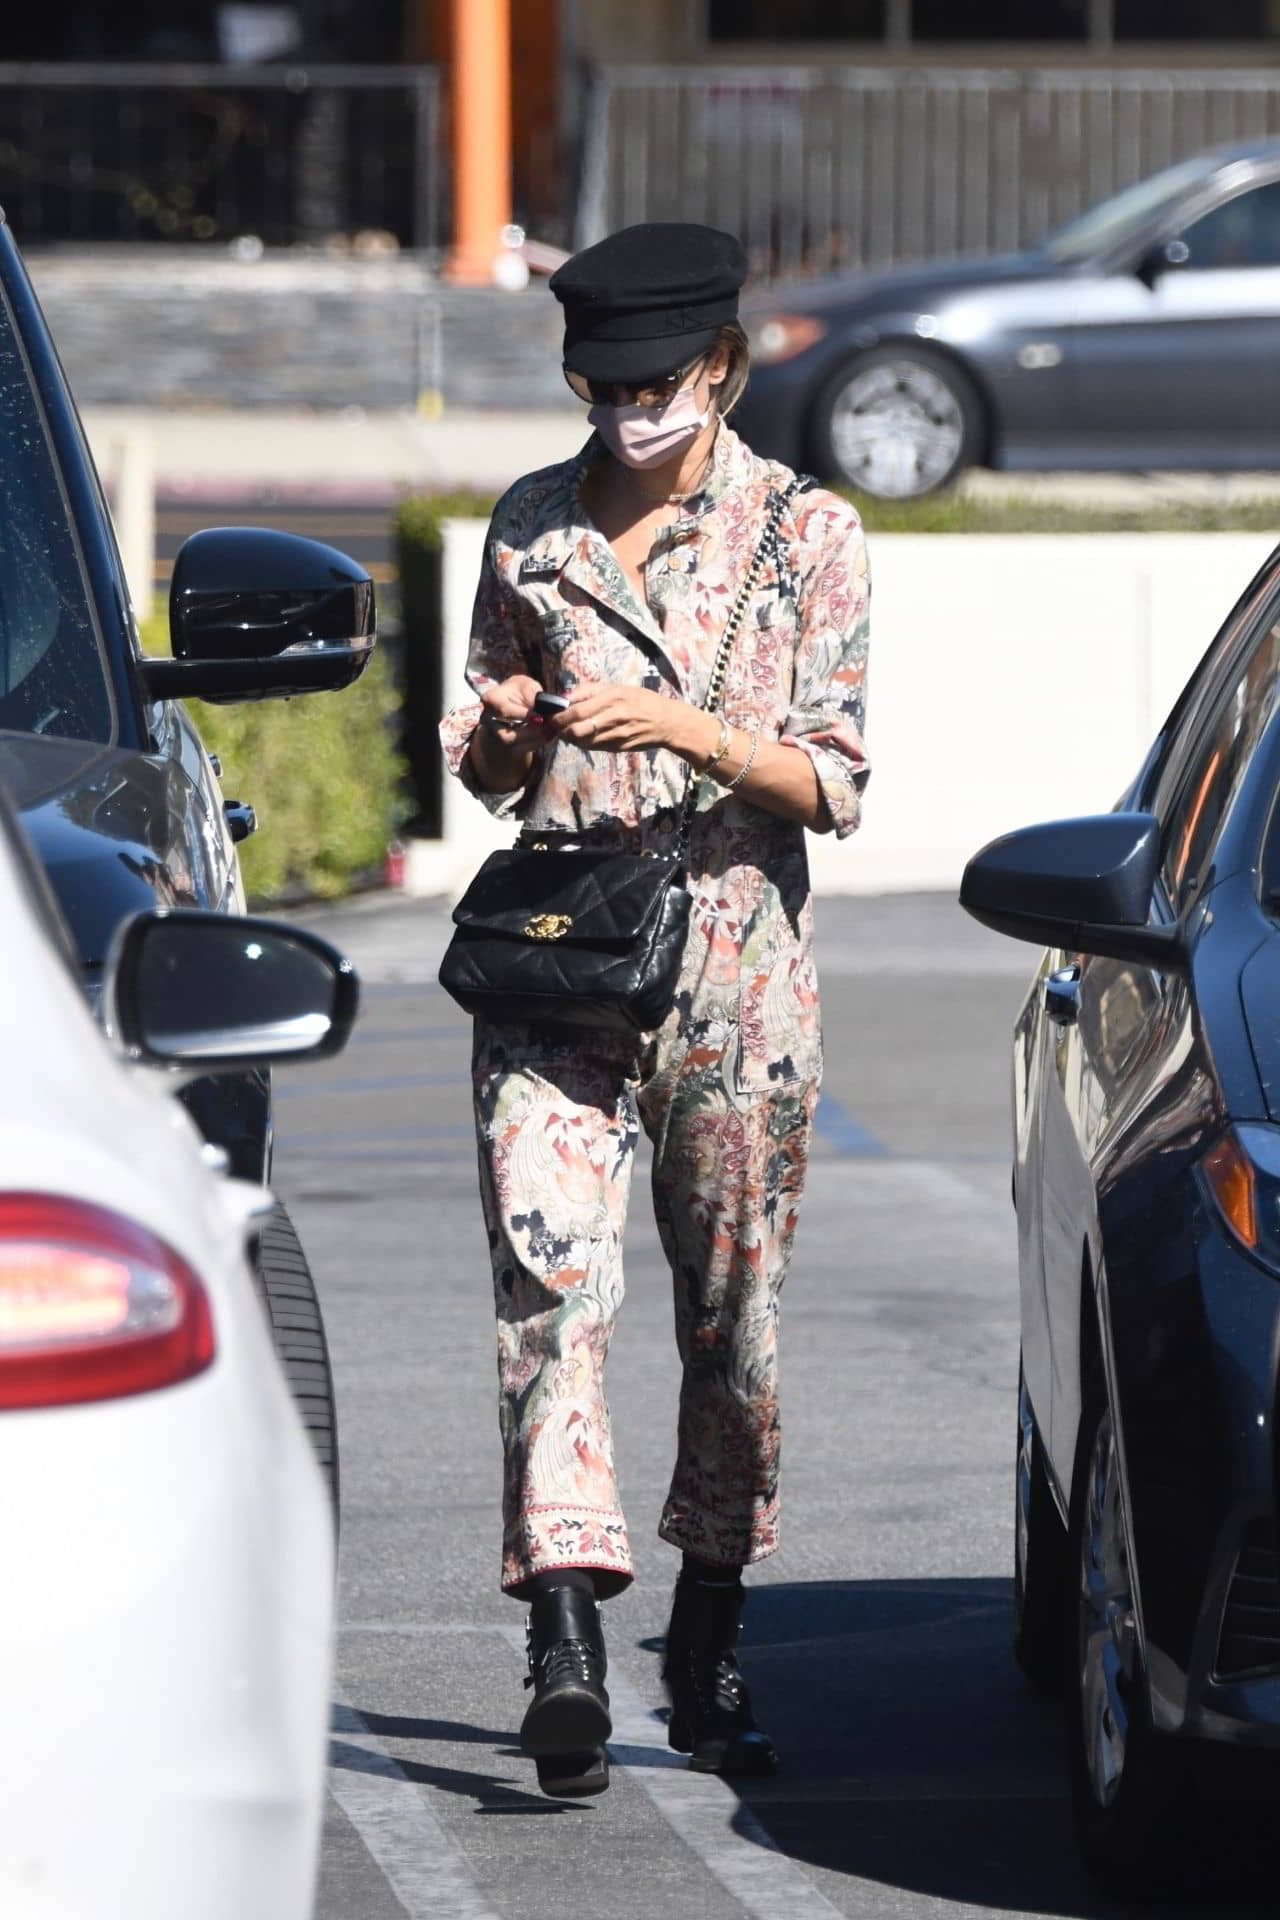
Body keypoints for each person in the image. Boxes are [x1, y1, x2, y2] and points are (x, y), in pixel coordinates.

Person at [439, 222, 871, 1800]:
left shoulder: (803, 535)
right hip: (562, 960)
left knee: (727, 1322)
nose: (624, 411)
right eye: (597, 382)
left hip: (738, 977)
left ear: (720, 371)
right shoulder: (532, 525)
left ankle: (710, 1623)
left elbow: (834, 779)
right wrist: (493, 735)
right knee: (550, 1283)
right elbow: (492, 769)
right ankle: (564, 1636)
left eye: (654, 384)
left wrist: (683, 726)